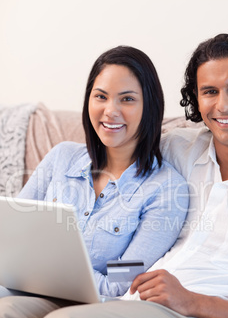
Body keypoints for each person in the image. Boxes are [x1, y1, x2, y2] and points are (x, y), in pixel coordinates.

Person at [0, 33, 228, 318]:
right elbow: (123, 141)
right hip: (147, 304)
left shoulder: (167, 183)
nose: (222, 105)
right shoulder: (182, 149)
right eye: (209, 92)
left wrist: (191, 301)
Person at [13, 45, 188, 297]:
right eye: (101, 96)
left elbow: (120, 284)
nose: (110, 111)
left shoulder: (167, 189)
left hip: (84, 306)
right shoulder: (61, 157)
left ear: (149, 106)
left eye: (127, 99)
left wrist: (47, 268)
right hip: (22, 287)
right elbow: (11, 237)